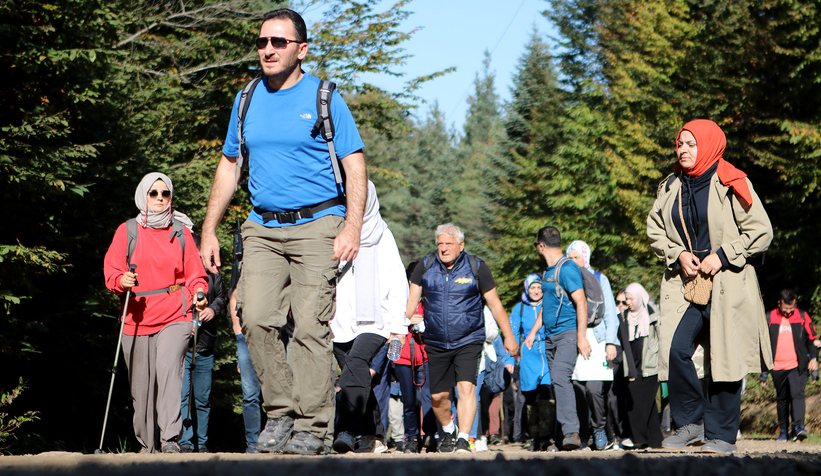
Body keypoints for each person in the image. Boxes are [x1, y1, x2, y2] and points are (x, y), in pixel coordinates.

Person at [199, 8, 367, 455]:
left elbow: (355, 166)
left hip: (319, 225)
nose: (267, 49)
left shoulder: (325, 97)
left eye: (278, 42)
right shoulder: (247, 99)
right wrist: (208, 229)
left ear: (301, 49)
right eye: (262, 42)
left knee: (311, 326)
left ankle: (312, 426)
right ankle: (280, 414)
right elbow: (230, 165)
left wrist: (352, 226)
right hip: (262, 226)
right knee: (252, 317)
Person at [647, 119, 773, 454]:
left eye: (691, 144)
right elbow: (655, 230)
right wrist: (678, 254)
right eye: (680, 144)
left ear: (709, 145)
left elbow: (761, 232)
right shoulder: (671, 185)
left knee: (724, 358)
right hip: (686, 284)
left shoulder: (732, 181)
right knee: (675, 349)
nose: (683, 150)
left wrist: (723, 255)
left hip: (728, 283)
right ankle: (693, 422)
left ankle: (722, 437)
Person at [104, 172, 208, 453]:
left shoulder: (181, 231)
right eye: (154, 193)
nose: (160, 199)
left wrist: (199, 293)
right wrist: (120, 280)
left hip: (176, 312)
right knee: (141, 389)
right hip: (136, 316)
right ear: (143, 196)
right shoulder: (128, 231)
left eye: (165, 194)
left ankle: (170, 439)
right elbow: (112, 269)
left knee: (168, 370)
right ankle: (147, 447)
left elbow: (196, 274)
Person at [405, 223, 518, 453]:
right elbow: (411, 303)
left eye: (449, 243)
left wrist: (509, 336)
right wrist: (404, 323)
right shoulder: (425, 266)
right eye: (440, 244)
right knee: (438, 397)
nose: (444, 248)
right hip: (435, 341)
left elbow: (495, 305)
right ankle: (448, 430)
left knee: (466, 388)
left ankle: (464, 438)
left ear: (461, 245)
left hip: (469, 339)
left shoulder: (477, 267)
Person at [330, 181, 409, 453]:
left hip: (376, 320)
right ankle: (374, 436)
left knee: (354, 367)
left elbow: (399, 282)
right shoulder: (331, 231)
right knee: (358, 376)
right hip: (338, 322)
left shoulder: (383, 236)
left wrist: (399, 326)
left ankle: (345, 430)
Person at [525, 226, 591, 450]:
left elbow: (581, 302)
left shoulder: (567, 268)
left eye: (537, 246)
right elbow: (548, 305)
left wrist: (581, 337)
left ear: (541, 246)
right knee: (557, 382)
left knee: (561, 378)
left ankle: (572, 433)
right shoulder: (548, 272)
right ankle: (566, 434)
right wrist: (534, 332)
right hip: (550, 336)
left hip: (568, 335)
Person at [566, 240, 619, 450]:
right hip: (574, 338)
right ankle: (583, 433)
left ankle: (599, 428)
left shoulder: (599, 279)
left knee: (594, 389)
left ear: (585, 258)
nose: (572, 262)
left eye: (576, 257)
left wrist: (611, 343)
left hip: (597, 339)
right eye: (569, 258)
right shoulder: (566, 280)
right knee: (577, 388)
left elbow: (610, 314)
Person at [179, 235, 228, 453]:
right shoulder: (180, 275)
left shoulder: (213, 274)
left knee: (202, 398)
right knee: (183, 397)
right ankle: (185, 441)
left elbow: (223, 298)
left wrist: (213, 309)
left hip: (205, 346)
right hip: (183, 348)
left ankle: (202, 441)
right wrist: (186, 323)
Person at [508, 273, 555, 452]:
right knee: (531, 398)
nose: (536, 291)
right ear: (527, 289)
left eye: (538, 287)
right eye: (532, 288)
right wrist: (509, 359)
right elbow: (511, 336)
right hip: (528, 357)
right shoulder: (519, 308)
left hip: (547, 353)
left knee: (546, 396)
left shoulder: (550, 304)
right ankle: (534, 438)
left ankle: (546, 438)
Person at [765, 289, 818, 441]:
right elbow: (763, 342)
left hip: (797, 365)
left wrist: (814, 358)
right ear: (779, 304)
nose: (788, 312)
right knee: (782, 399)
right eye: (785, 308)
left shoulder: (801, 316)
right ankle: (783, 431)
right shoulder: (770, 317)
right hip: (777, 366)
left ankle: (799, 427)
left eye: (791, 308)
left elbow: (812, 338)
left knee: (797, 394)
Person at [395, 262, 436, 454]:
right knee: (409, 399)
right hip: (403, 356)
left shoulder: (431, 300)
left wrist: (427, 324)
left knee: (430, 397)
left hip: (427, 354)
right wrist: (406, 322)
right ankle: (411, 437)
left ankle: (430, 434)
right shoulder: (399, 300)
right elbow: (390, 325)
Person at [617, 283, 662, 449]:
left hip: (651, 366)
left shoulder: (653, 316)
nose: (628, 302)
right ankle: (654, 440)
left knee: (643, 403)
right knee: (643, 404)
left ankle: (639, 438)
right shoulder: (624, 318)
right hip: (633, 367)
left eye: (631, 299)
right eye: (626, 299)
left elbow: (662, 340)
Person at [228, 287, 265, 453]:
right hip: (246, 337)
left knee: (276, 392)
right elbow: (234, 295)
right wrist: (237, 328)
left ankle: (275, 442)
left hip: (275, 336)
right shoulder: (248, 264)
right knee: (250, 394)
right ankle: (252, 444)